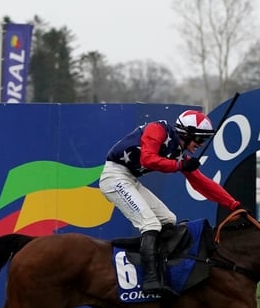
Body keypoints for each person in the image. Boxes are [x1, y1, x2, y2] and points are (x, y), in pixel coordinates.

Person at [99, 109, 242, 293]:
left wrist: (233, 204)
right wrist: (180, 165)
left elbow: (202, 183)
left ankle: (149, 261)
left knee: (168, 220)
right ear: (187, 133)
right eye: (200, 139)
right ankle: (150, 281)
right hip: (114, 177)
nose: (201, 144)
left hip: (129, 179)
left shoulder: (179, 153)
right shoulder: (157, 129)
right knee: (150, 223)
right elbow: (148, 158)